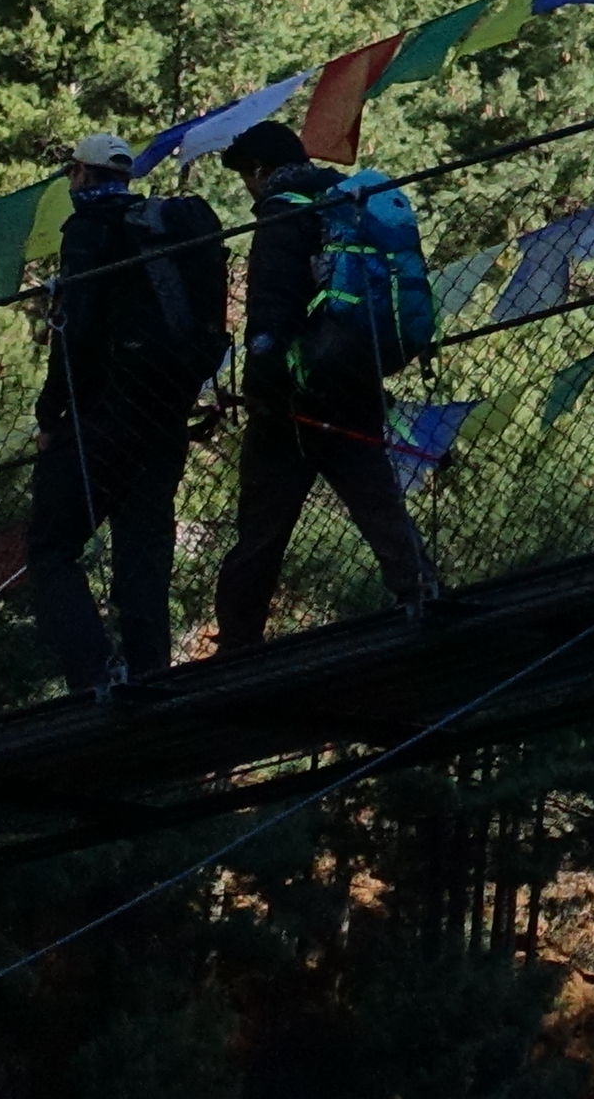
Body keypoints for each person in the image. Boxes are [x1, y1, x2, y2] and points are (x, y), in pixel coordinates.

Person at [209, 115, 441, 650]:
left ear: (261, 170)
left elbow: (271, 306)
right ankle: (422, 593)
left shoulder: (280, 214)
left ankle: (239, 643)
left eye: (247, 176)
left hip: (293, 400)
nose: (248, 188)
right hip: (355, 379)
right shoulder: (343, 205)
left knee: (262, 528)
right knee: (377, 500)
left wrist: (262, 385)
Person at [24, 131, 227, 692]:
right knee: (142, 551)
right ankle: (151, 677)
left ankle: (92, 677)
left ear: (83, 176)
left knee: (50, 547)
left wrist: (51, 415)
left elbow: (77, 332)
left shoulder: (88, 232)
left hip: (103, 417)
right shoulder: (155, 227)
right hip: (166, 411)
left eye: (72, 175)